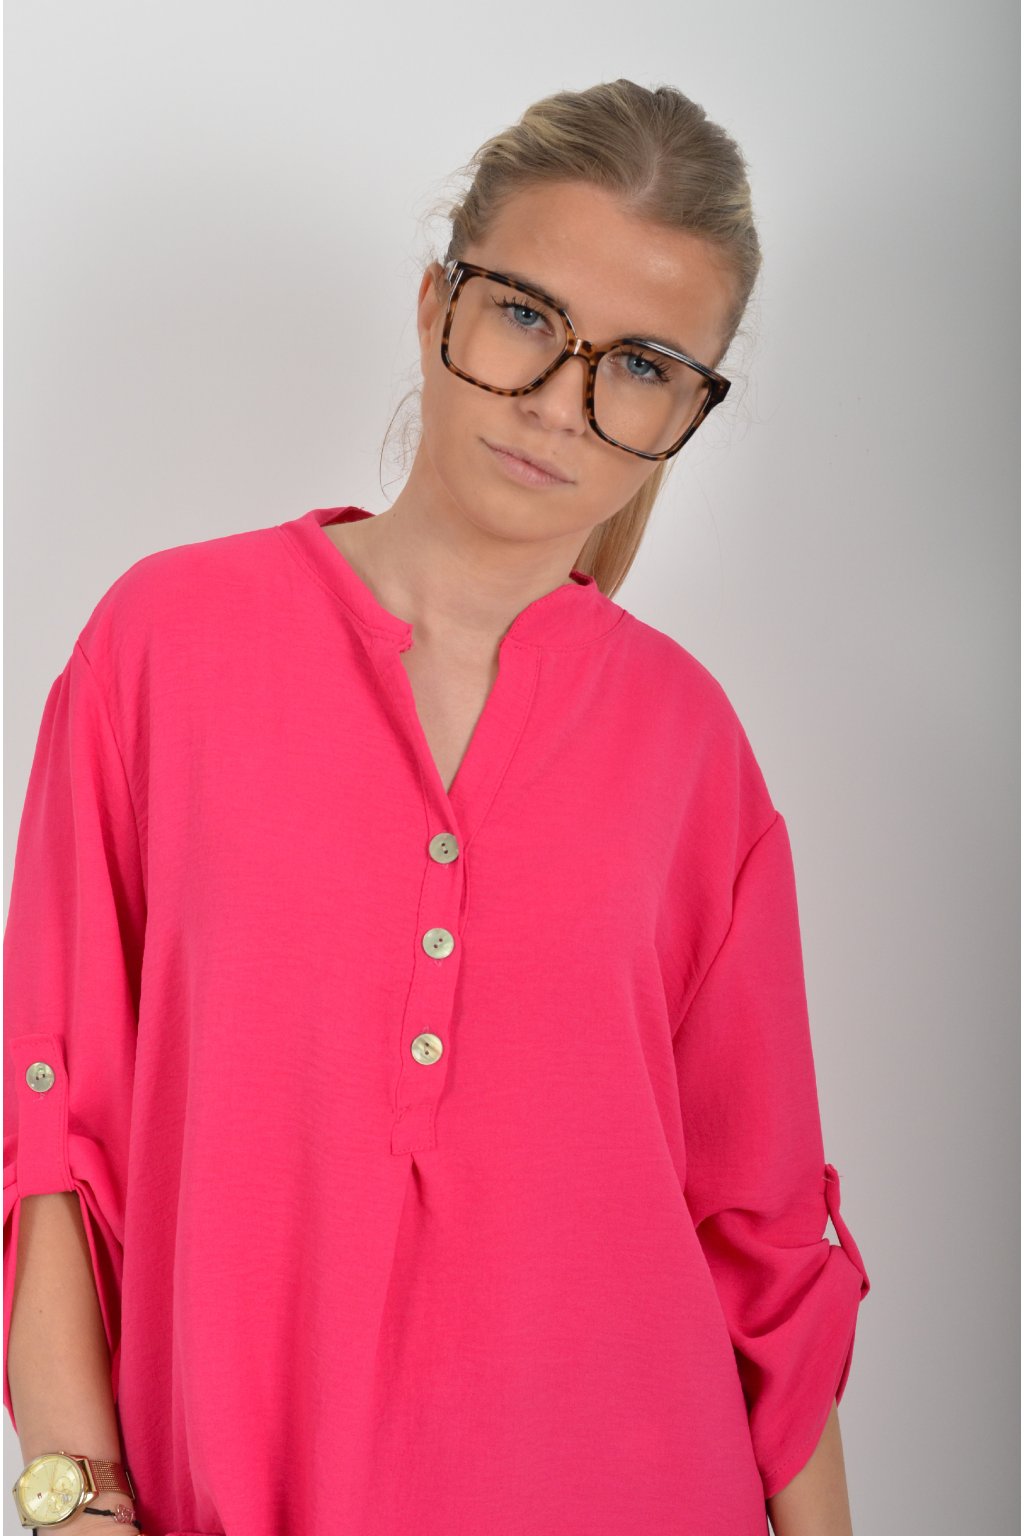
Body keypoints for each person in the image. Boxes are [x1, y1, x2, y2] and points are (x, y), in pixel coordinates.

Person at [4, 79, 871, 1536]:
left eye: (642, 365)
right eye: (527, 315)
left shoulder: (692, 748)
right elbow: (55, 1125)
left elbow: (765, 1238)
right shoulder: (165, 646)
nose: (558, 404)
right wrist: (76, 1502)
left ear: (688, 411)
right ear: (434, 304)